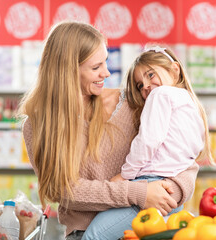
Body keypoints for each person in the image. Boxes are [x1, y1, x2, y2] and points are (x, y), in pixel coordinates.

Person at [18, 21, 199, 240]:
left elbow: (183, 156)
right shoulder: (39, 124)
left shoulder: (133, 103)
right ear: (66, 72)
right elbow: (61, 189)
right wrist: (138, 193)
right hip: (83, 234)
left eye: (106, 61)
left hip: (145, 230)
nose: (106, 72)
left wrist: (170, 193)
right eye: (96, 67)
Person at [83, 46, 214, 239]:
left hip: (149, 187)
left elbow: (148, 141)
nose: (145, 86)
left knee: (93, 235)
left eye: (150, 74)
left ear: (174, 69)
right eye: (139, 85)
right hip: (171, 193)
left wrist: (125, 174)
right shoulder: (191, 104)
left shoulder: (160, 95)